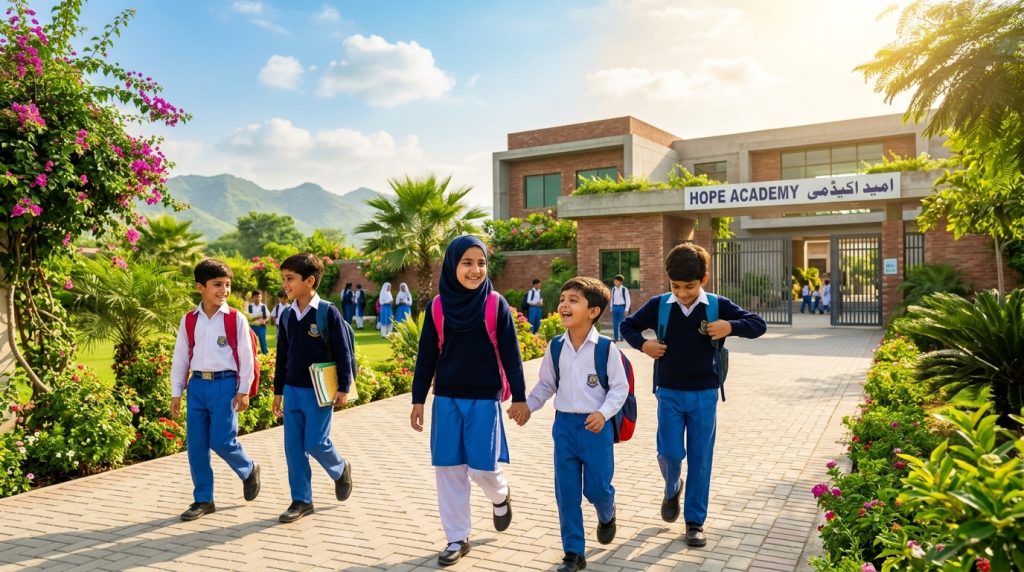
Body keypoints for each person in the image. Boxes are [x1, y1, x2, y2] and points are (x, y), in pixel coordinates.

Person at [620, 243, 766, 547]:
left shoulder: (715, 305)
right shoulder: (661, 305)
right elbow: (628, 325)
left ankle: (695, 521)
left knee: (701, 458)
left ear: (704, 278)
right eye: (676, 286)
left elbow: (758, 325)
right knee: (670, 452)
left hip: (704, 395)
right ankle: (672, 487)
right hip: (669, 393)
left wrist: (731, 326)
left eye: (690, 286)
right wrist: (643, 345)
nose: (683, 292)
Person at [410, 235, 529, 567]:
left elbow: (512, 354)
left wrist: (519, 397)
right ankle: (456, 537)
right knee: (448, 470)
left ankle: (501, 495)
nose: (475, 270)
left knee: (482, 468)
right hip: (446, 399)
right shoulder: (437, 306)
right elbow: (426, 357)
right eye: (467, 263)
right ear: (452, 265)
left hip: (484, 399)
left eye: (481, 263)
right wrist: (418, 399)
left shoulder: (495, 305)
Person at [518, 276, 628, 572]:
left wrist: (603, 413)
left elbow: (620, 388)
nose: (564, 304)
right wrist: (528, 406)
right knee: (566, 493)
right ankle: (573, 553)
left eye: (573, 300)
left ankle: (608, 513)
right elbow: (546, 385)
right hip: (564, 427)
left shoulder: (606, 349)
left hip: (596, 429)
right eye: (563, 299)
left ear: (593, 311)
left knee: (597, 489)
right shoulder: (555, 346)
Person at [169, 259, 261, 521]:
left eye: (227, 285)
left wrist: (243, 391)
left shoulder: (235, 319)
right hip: (197, 385)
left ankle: (249, 469)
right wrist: (177, 392)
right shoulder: (189, 320)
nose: (224, 290)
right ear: (200, 287)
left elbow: (246, 357)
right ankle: (203, 499)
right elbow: (181, 358)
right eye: (217, 285)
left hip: (225, 385)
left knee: (221, 440)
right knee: (196, 446)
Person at [272, 253, 355, 523]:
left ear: (309, 281)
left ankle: (340, 468)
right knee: (293, 447)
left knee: (316, 442)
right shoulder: (286, 315)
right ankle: (302, 500)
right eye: (284, 278)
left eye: (290, 279)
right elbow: (282, 355)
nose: (285, 284)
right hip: (292, 390)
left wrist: (344, 386)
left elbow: (343, 352)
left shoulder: (327, 312)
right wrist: (278, 391)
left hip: (320, 390)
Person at [247, 290, 269, 354]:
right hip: (251, 327)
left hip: (261, 327)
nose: (258, 298)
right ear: (253, 297)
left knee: (263, 342)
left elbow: (268, 316)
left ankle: (265, 355)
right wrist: (258, 317)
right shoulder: (249, 307)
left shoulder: (263, 306)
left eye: (259, 297)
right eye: (256, 297)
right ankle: (252, 355)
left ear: (261, 297)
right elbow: (248, 317)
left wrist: (265, 320)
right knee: (251, 342)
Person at [610, 274, 631, 342]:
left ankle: (622, 337)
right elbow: (612, 299)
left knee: (622, 323)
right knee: (615, 323)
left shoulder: (624, 289)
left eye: (616, 281)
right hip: (614, 307)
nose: (615, 282)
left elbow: (628, 299)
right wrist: (611, 308)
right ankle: (616, 337)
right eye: (614, 281)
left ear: (620, 282)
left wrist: (626, 309)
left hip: (622, 307)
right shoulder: (613, 289)